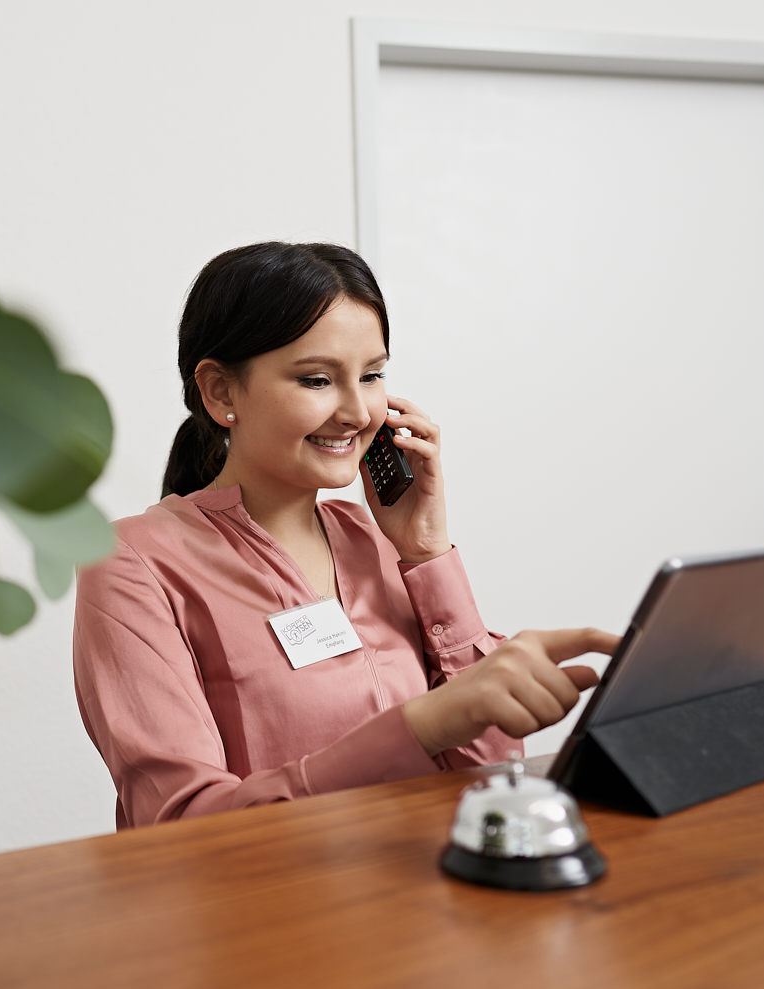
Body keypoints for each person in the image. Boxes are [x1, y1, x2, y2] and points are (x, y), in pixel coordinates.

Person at [73, 242, 619, 829]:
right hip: (271, 910)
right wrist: (426, 723)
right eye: (316, 380)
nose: (359, 411)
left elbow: (486, 769)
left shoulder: (376, 540)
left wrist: (426, 552)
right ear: (221, 393)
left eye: (373, 375)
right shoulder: (132, 562)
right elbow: (177, 822)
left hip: (424, 891)